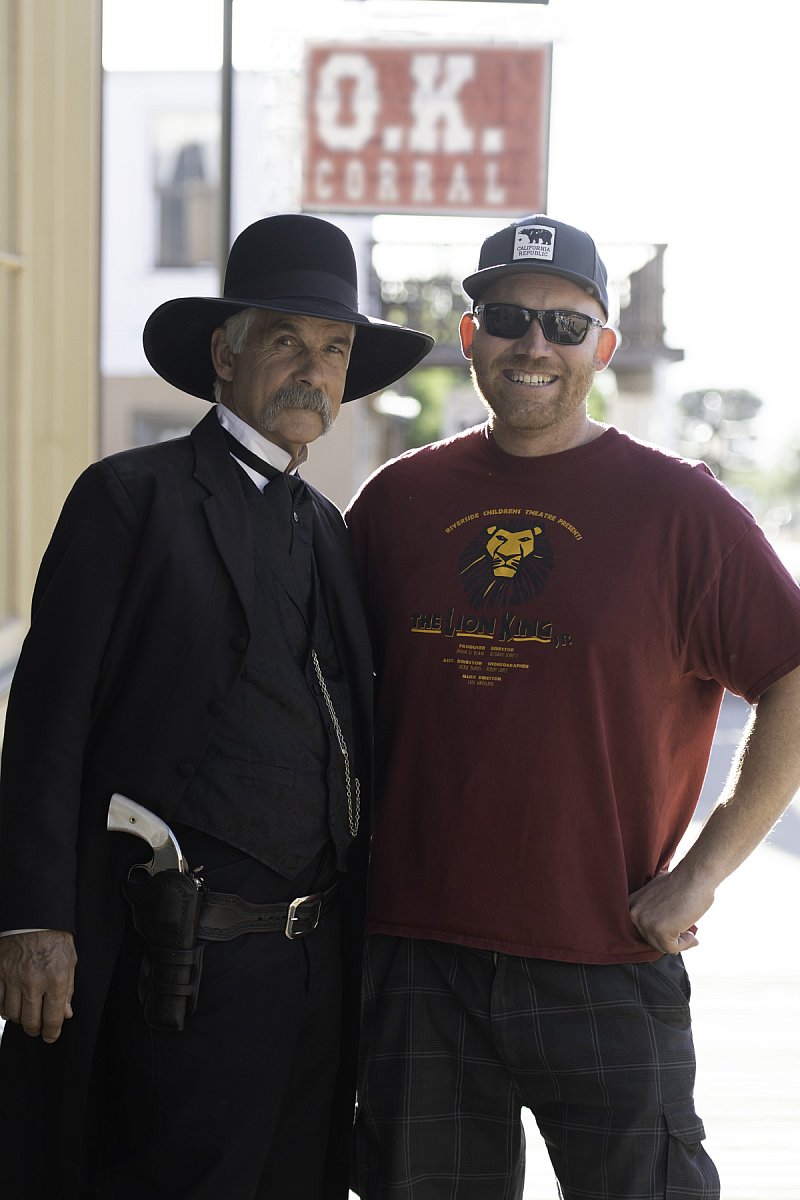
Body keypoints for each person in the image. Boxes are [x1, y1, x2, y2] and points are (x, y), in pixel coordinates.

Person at [345, 213, 800, 1199]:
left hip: (601, 953)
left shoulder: (679, 509)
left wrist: (706, 869)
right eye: (507, 318)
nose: (532, 345)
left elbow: (790, 671)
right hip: (417, 961)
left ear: (599, 344)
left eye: (563, 324)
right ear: (469, 338)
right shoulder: (394, 504)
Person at [0, 213, 432, 1199]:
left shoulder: (329, 528)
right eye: (284, 339)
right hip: (175, 972)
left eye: (333, 349)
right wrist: (30, 919)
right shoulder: (127, 499)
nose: (311, 369)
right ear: (222, 353)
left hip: (312, 972)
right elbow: (47, 718)